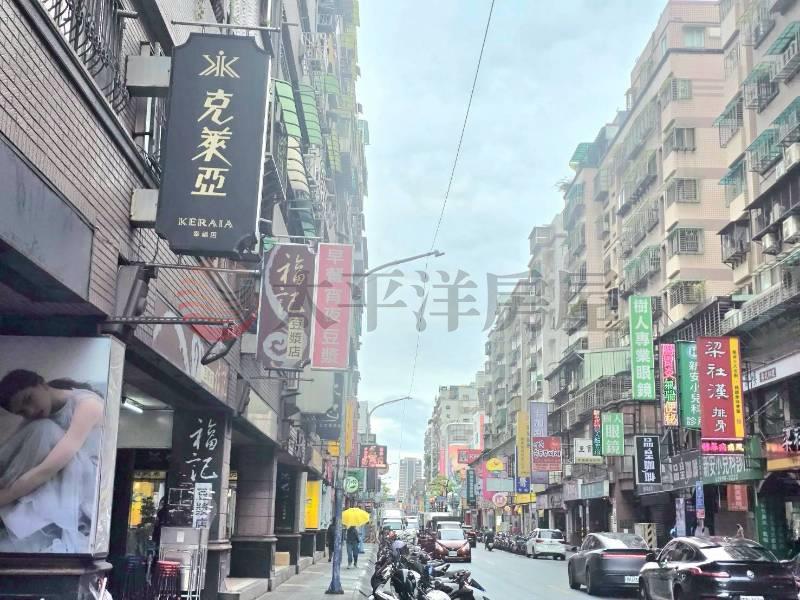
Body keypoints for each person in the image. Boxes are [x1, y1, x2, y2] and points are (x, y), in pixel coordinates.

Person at [0, 370, 104, 553]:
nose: (30, 411)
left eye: (28, 399)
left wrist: (7, 496)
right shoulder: (39, 417)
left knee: (44, 429)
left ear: (42, 384)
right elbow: (11, 449)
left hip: (86, 481)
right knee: (36, 431)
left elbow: (49, 468)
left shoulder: (88, 404)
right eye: (22, 412)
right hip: (58, 478)